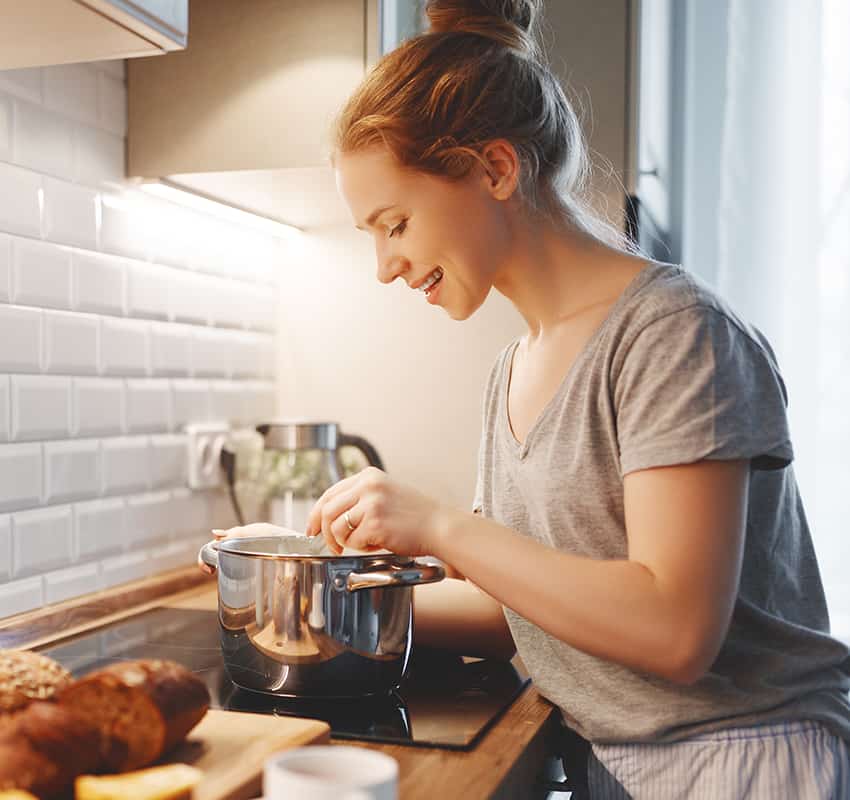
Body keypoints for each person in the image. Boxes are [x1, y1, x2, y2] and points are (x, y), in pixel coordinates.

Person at [212, 0, 850, 795]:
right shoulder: (512, 369)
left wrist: (439, 524)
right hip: (619, 759)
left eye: (396, 223)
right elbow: (509, 609)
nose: (385, 265)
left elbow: (676, 626)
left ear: (496, 170)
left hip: (740, 758)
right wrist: (304, 586)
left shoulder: (673, 334)